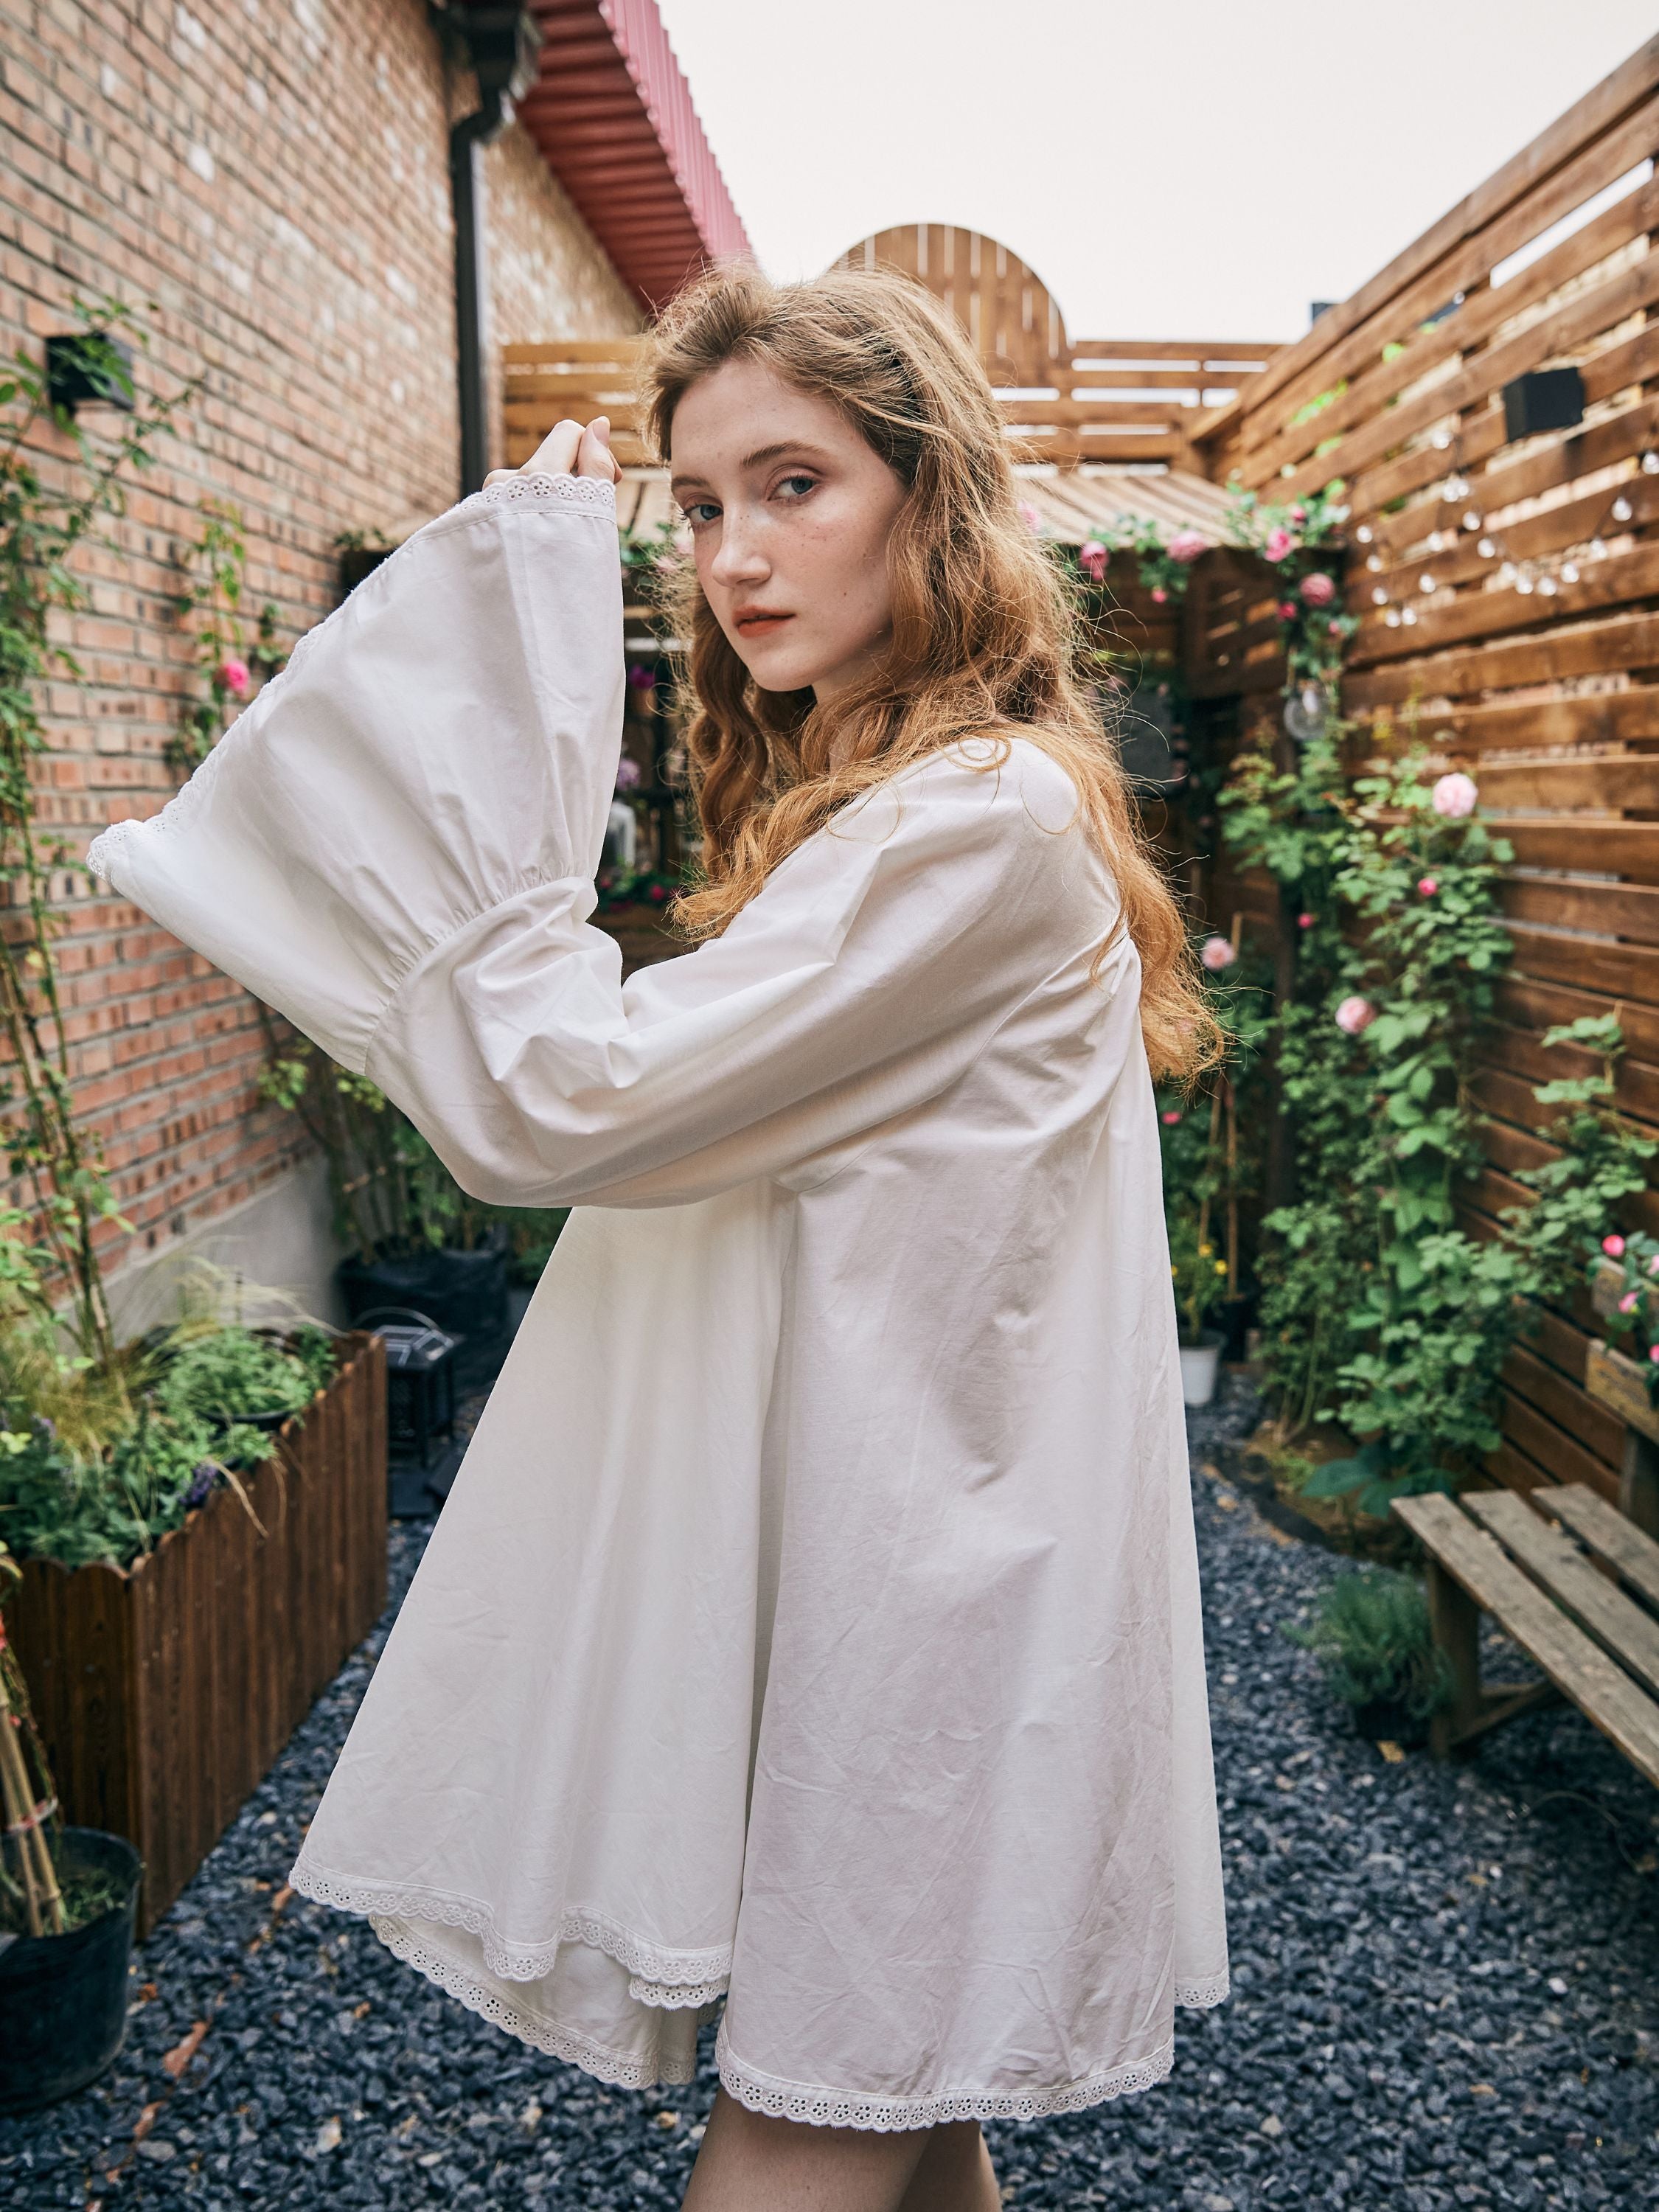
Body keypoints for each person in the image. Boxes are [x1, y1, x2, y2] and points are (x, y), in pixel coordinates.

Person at [88, 265, 1229, 2212]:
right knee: (893, 2088)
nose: (733, 556)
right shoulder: (913, 806)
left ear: (928, 493)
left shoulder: (974, 827)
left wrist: (478, 787)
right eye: (699, 507)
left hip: (923, 1586)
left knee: (820, 2104)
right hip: (898, 1556)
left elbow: (563, 1107)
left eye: (793, 485)